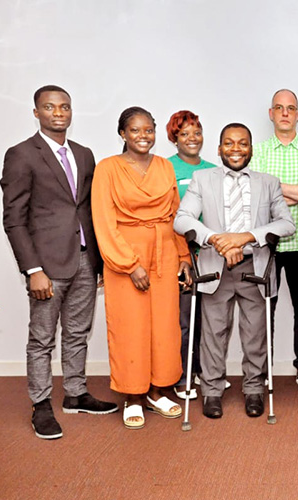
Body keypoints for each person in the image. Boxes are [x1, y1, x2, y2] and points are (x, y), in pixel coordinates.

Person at [1, 85, 117, 439]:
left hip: (84, 260)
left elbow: (89, 211)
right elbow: (14, 218)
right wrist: (32, 269)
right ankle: (41, 405)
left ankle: (76, 393)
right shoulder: (21, 154)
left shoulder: (84, 154)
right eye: (49, 107)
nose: (58, 112)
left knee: (78, 332)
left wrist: (98, 262)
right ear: (36, 113)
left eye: (64, 107)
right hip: (47, 266)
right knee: (42, 339)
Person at [174, 123, 295, 419]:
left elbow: (286, 224)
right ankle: (212, 391)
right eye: (229, 143)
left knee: (254, 334)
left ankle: (253, 389)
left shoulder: (268, 182)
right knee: (214, 333)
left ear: (251, 149)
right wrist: (218, 240)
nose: (236, 149)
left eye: (243, 144)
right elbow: (182, 219)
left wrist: (245, 238)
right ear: (219, 149)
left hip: (255, 269)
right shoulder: (203, 179)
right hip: (215, 268)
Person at [91, 106, 192, 429]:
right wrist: (129, 265)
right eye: (135, 130)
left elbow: (175, 214)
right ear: (122, 133)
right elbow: (103, 222)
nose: (143, 136)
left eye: (148, 130)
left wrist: (183, 257)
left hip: (164, 251)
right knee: (130, 327)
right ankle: (132, 396)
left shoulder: (164, 166)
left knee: (164, 326)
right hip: (125, 255)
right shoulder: (107, 168)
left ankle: (158, 390)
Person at [249, 89, 298, 394]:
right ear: (271, 113)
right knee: (263, 308)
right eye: (279, 108)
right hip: (266, 245)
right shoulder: (258, 152)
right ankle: (262, 369)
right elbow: (256, 194)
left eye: (290, 108)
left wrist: (274, 186)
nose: (284, 113)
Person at [165, 110, 217, 400]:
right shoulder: (165, 168)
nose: (192, 138)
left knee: (209, 321)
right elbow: (169, 217)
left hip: (210, 255)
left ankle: (205, 373)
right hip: (180, 255)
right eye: (184, 134)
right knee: (184, 321)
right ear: (175, 139)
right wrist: (180, 254)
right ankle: (182, 376)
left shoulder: (212, 170)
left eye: (196, 132)